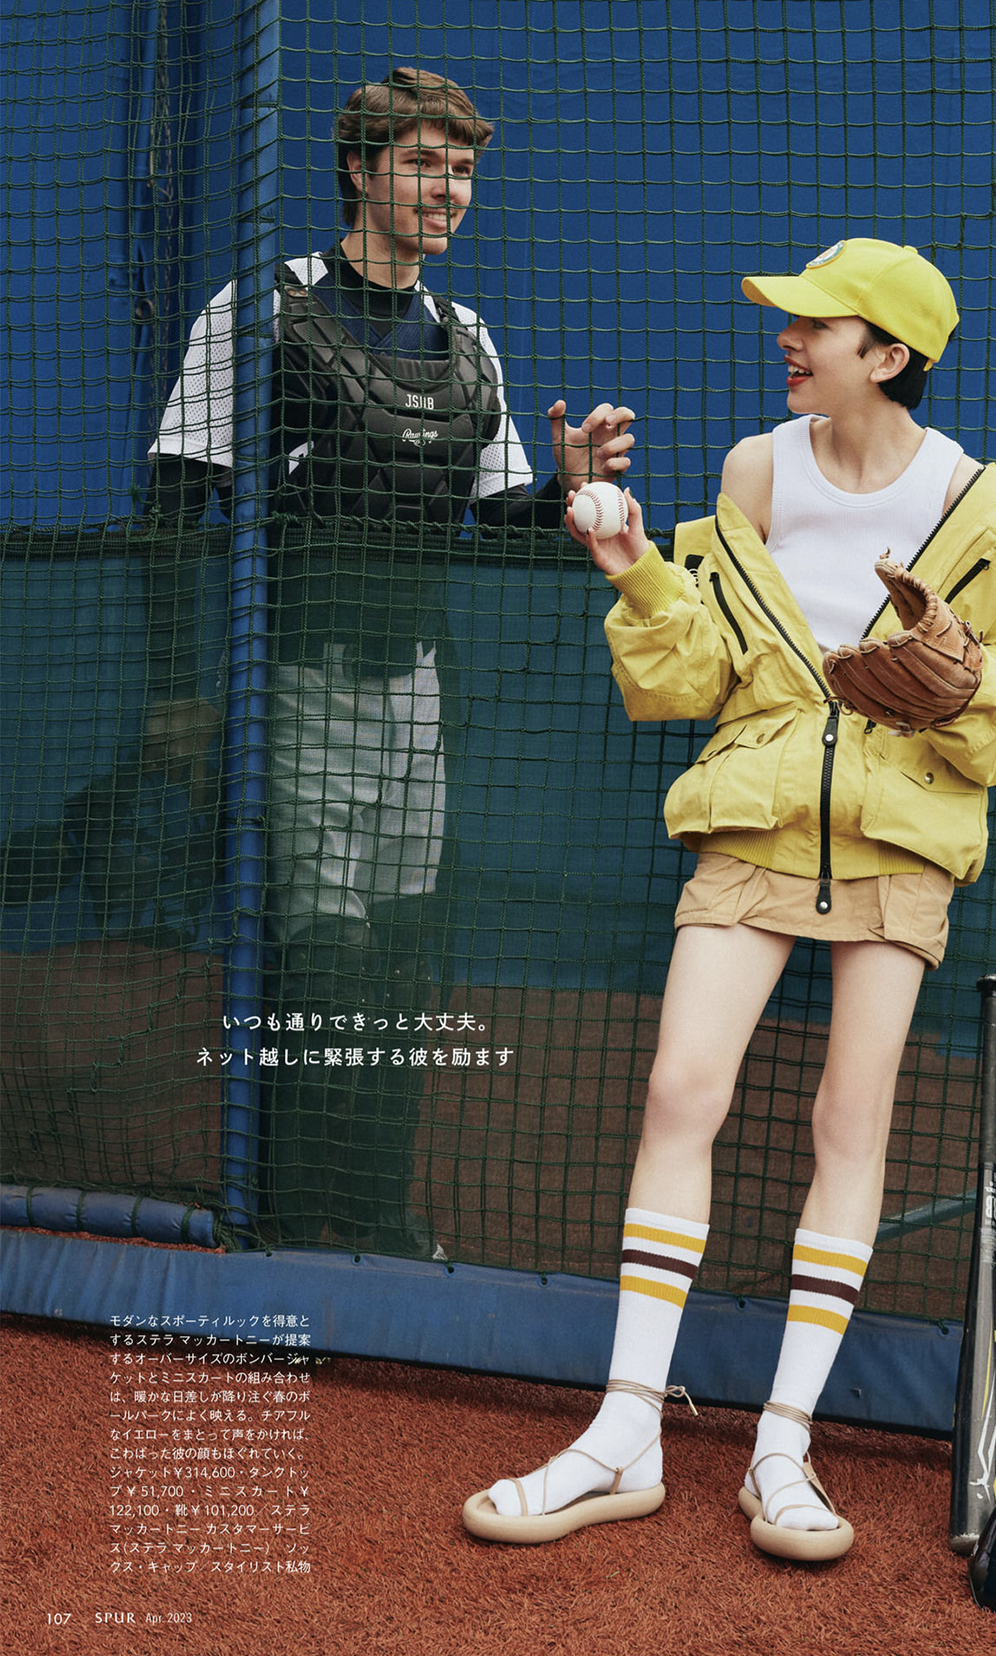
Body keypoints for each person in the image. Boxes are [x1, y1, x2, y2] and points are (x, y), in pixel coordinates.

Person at [462, 238, 996, 1558]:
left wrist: (967, 685)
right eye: (788, 322)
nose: (787, 340)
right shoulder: (754, 469)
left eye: (815, 325)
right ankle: (624, 1430)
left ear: (888, 354)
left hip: (902, 839)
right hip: (754, 812)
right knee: (681, 1087)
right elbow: (697, 671)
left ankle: (781, 1445)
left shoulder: (985, 508)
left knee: (850, 1122)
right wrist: (633, 562)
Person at [148, 68, 635, 1254]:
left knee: (402, 960)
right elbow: (171, 502)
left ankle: (374, 1215)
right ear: (360, 170)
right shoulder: (263, 310)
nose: (446, 190)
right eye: (421, 164)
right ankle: (290, 1219)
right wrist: (175, 692)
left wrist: (566, 488)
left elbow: (500, 515)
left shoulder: (465, 341)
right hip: (295, 677)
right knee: (322, 953)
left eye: (461, 170)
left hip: (417, 686)